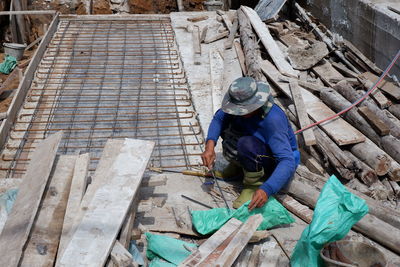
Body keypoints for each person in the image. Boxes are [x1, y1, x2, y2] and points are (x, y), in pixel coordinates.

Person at [201, 77, 300, 210]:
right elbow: (219, 118)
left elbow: (287, 161)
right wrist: (210, 145)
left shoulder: (273, 120)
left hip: (272, 160)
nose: (239, 112)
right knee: (230, 124)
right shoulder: (240, 111)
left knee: (246, 144)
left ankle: (253, 185)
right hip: (254, 146)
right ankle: (237, 167)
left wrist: (267, 189)